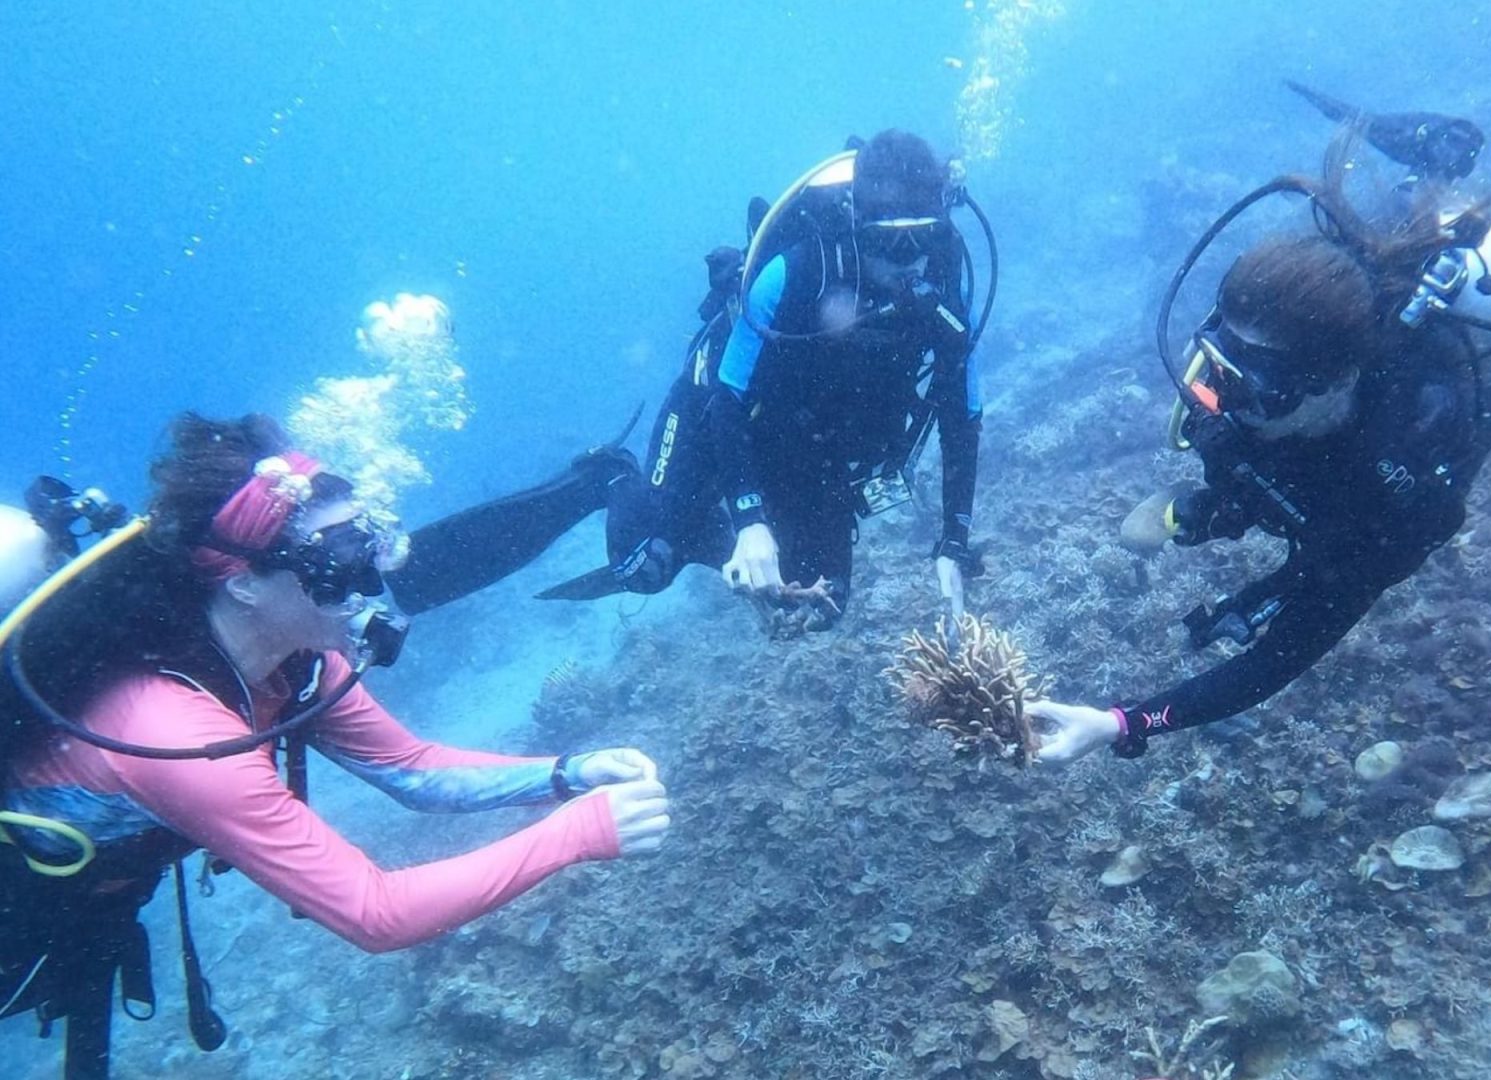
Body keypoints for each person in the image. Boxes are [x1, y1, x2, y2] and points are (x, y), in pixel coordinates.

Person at [1027, 54, 1491, 763]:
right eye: (1218, 368)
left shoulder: (1397, 477)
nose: (1220, 403)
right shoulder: (1250, 376)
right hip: (1349, 336)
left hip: (1450, 379)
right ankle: (1432, 170)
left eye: (1254, 389)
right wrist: (1215, 499)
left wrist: (1122, 723)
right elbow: (1246, 418)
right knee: (1381, 227)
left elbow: (1275, 660)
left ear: (1334, 382)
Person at [0, 414, 672, 1078]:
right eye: (336, 563)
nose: (367, 585)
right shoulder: (180, 738)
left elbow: (413, 771)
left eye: (368, 548)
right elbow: (376, 913)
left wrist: (566, 773)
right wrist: (577, 834)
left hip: (85, 903)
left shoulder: (299, 662)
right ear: (241, 582)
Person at [538, 128, 990, 632]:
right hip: (721, 420)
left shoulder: (945, 284)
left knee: (817, 607)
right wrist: (752, 523)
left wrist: (953, 543)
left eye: (922, 238)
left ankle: (711, 533)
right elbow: (726, 401)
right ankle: (616, 476)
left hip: (811, 453)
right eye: (888, 241)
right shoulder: (797, 271)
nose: (907, 261)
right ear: (859, 225)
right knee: (643, 568)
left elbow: (962, 418)